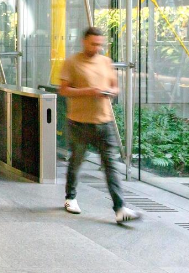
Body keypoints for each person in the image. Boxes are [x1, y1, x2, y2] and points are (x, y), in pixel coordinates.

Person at [59, 26, 139, 223]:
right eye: (93, 44)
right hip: (79, 122)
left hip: (104, 122)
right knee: (76, 161)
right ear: (84, 41)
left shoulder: (106, 62)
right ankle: (70, 197)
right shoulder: (72, 63)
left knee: (111, 164)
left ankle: (120, 208)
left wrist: (110, 92)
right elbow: (64, 90)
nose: (97, 48)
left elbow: (114, 86)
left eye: (100, 45)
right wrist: (88, 91)